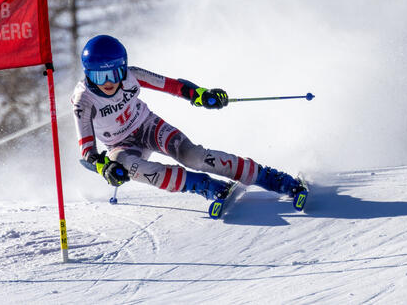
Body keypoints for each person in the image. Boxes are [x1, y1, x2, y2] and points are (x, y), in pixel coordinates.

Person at [71, 35, 304, 201]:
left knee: (193, 156)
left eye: (114, 73)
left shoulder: (132, 76)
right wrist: (104, 167)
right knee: (131, 167)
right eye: (99, 76)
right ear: (88, 74)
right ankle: (202, 185)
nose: (109, 82)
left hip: (147, 126)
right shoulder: (84, 100)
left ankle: (268, 177)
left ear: (123, 69)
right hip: (120, 145)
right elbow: (87, 151)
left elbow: (172, 85)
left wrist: (199, 95)